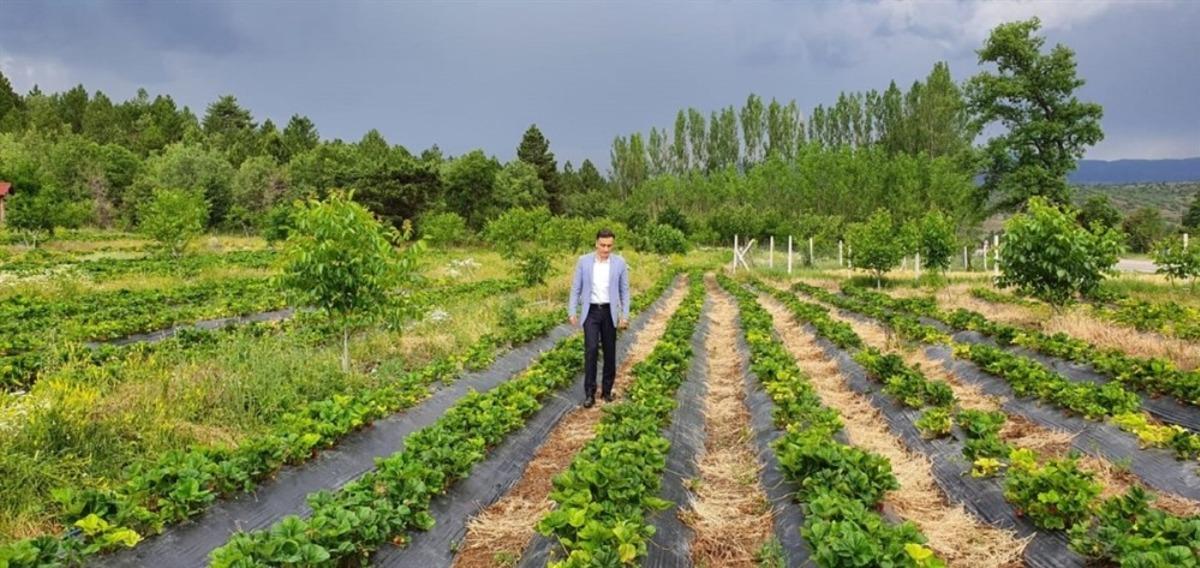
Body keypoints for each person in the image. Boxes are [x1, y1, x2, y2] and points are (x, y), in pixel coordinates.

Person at [567, 228, 630, 408]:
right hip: (591, 312)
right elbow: (575, 288)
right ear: (596, 244)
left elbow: (624, 291)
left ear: (613, 245)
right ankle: (589, 393)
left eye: (609, 245)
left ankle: (607, 391)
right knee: (591, 350)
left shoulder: (619, 263)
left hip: (609, 311)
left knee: (610, 352)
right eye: (602, 245)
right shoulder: (584, 262)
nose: (605, 249)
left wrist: (624, 315)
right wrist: (572, 311)